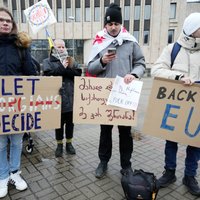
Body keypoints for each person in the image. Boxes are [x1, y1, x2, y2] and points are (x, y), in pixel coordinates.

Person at [87, 3, 146, 179]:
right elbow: (90, 67)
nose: (113, 27)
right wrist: (103, 61)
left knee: (125, 133)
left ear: (121, 24)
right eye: (110, 23)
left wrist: (134, 74)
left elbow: (141, 63)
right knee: (105, 132)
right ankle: (103, 162)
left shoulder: (130, 41)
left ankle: (126, 165)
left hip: (125, 95)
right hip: (105, 96)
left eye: (116, 24)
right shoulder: (99, 42)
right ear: (105, 25)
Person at [151, 12, 200, 197]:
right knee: (171, 140)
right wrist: (178, 77)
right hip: (176, 104)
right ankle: (169, 172)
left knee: (195, 142)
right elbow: (156, 70)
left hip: (197, 106)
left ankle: (190, 176)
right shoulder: (173, 49)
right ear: (192, 29)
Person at [0, 7, 37, 198]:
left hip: (16, 105)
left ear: (12, 24)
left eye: (8, 20)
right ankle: (2, 177)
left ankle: (14, 173)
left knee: (16, 142)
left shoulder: (21, 46)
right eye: (1, 20)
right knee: (0, 144)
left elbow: (31, 74)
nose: (5, 23)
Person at [42, 39, 82, 157]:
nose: (61, 49)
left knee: (70, 123)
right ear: (54, 48)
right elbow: (47, 75)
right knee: (58, 124)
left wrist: (66, 69)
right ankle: (59, 145)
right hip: (56, 99)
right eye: (59, 47)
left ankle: (69, 143)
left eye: (63, 47)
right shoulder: (47, 61)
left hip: (71, 98)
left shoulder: (71, 60)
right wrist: (61, 69)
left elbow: (78, 74)